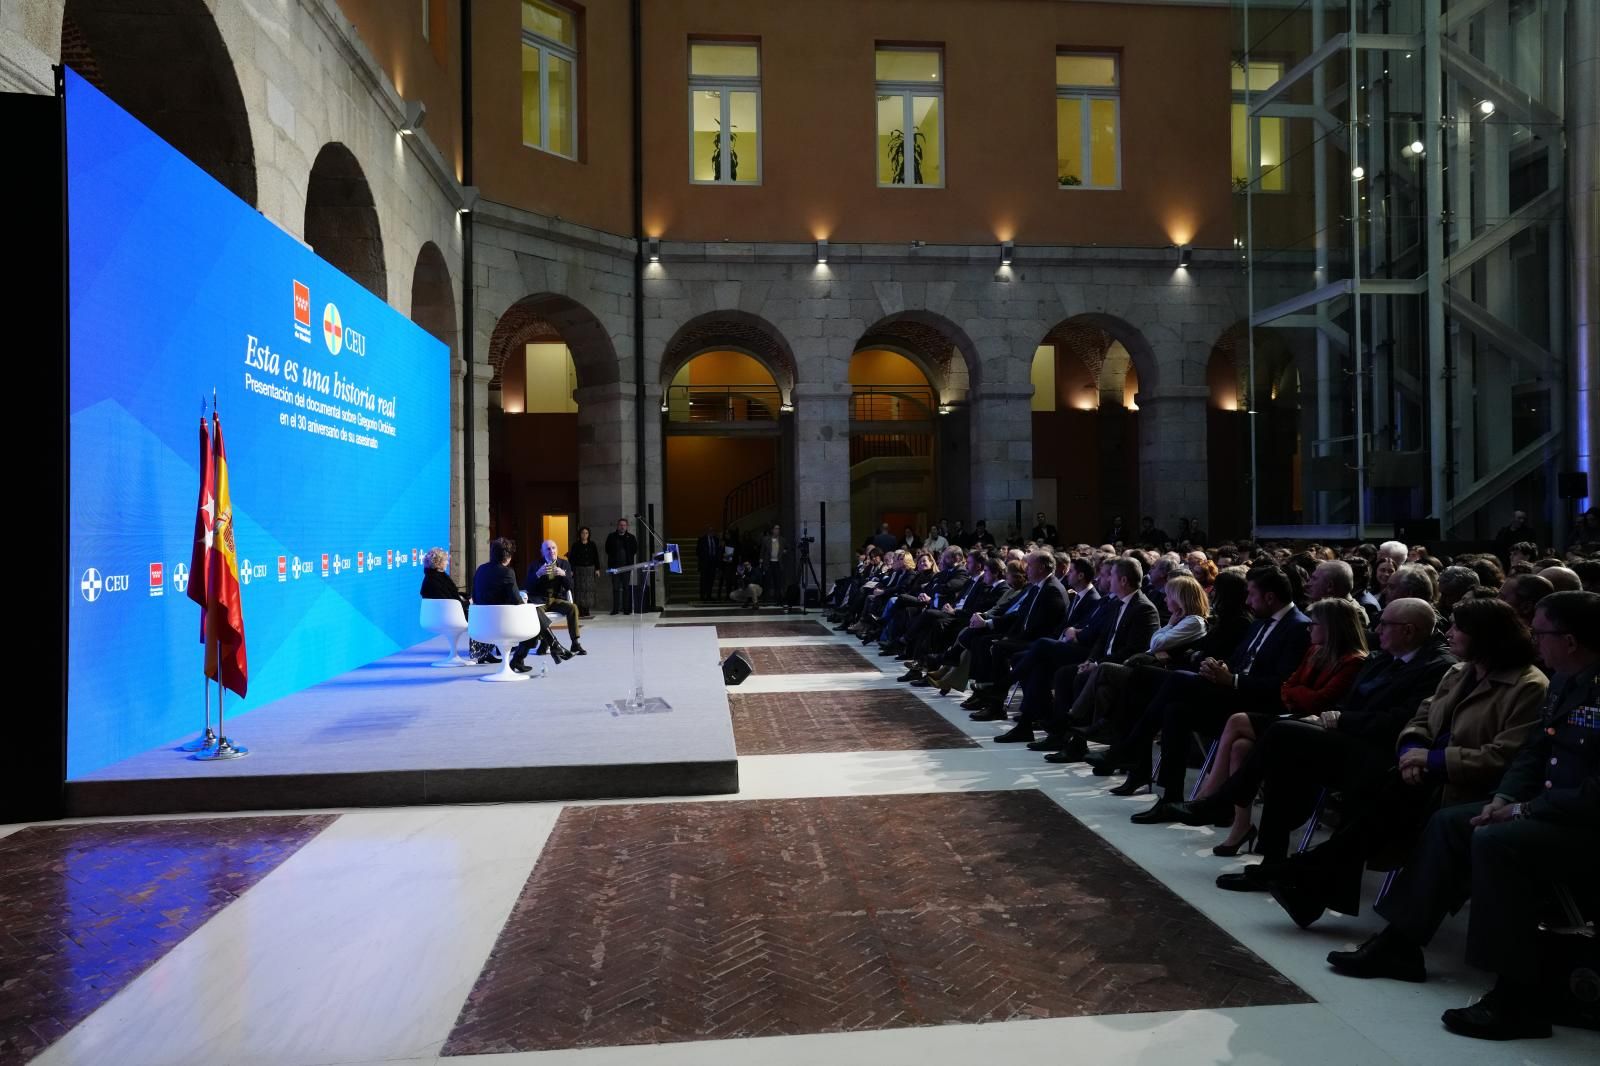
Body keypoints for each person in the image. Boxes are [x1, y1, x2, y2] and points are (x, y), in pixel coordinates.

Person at [1322, 591, 1598, 1042]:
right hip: (1548, 809)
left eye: (1543, 632)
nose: (1536, 640)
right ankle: (1401, 945)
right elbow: (1534, 752)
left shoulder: (1564, 681)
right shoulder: (1568, 679)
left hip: (1583, 824)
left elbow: (1592, 790)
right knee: (1452, 822)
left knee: (1494, 841)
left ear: (1569, 640)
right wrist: (1505, 796)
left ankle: (1516, 997)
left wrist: (1522, 808)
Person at [1261, 597, 1548, 927]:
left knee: (1376, 794)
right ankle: (1308, 887)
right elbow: (1421, 719)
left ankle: (1301, 873)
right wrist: (1413, 751)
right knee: (1372, 786)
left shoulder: (1528, 686)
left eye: (1458, 627)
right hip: (1420, 772)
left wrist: (1432, 760)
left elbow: (1502, 754)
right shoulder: (1459, 672)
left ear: (1484, 637)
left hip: (1463, 784)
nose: (1449, 633)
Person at [1188, 597, 1370, 854]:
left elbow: (1320, 701)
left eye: (1313, 624)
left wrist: (1298, 695)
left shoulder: (1354, 661)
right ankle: (1239, 826)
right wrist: (1299, 695)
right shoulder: (1314, 651)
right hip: (1293, 716)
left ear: (1331, 627)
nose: (1309, 628)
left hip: (1312, 726)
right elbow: (1288, 686)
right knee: (1240, 746)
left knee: (1238, 719)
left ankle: (1210, 796)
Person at [472, 537, 555, 673]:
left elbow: (475, 597)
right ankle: (543, 648)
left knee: (533, 611)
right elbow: (517, 601)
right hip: (504, 625)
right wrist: (525, 603)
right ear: (508, 557)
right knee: (533, 613)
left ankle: (552, 644)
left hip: (481, 625)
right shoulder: (507, 572)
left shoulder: (480, 570)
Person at [421, 547, 494, 663]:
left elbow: (450, 596)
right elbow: (450, 602)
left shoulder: (431, 578)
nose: (447, 563)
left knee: (480, 614)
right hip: (451, 616)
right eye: (445, 560)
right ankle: (481, 653)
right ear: (438, 562)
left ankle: (482, 652)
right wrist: (468, 601)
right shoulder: (436, 580)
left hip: (444, 614)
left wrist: (463, 596)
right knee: (484, 616)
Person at [525, 539, 584, 657]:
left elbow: (570, 586)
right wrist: (538, 574)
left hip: (556, 599)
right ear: (542, 552)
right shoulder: (535, 565)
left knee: (572, 607)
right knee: (536, 612)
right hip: (539, 600)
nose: (551, 551)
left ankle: (575, 642)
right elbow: (527, 586)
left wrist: (563, 575)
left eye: (553, 548)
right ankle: (545, 642)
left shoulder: (564, 563)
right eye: (548, 549)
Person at [604, 517, 639, 615]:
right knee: (615, 588)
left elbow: (635, 549)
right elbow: (607, 549)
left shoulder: (631, 537)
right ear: (617, 526)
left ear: (627, 526)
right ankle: (615, 609)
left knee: (626, 588)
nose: (622, 527)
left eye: (624, 525)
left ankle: (626, 609)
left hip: (626, 567)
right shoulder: (611, 536)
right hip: (614, 567)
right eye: (620, 525)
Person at [568, 526, 600, 616]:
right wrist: (571, 570)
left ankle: (586, 609)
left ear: (588, 535)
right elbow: (572, 559)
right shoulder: (576, 545)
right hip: (579, 570)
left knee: (588, 590)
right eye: (583, 533)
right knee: (579, 590)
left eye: (586, 533)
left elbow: (596, 557)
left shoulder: (592, 544)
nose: (584, 535)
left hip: (590, 570)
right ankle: (580, 609)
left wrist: (597, 569)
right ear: (580, 534)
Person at [760, 524, 788, 605]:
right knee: (767, 582)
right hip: (768, 563)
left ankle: (778, 600)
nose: (777, 530)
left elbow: (787, 547)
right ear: (772, 530)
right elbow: (762, 551)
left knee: (778, 582)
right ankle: (765, 600)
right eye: (776, 529)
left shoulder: (782, 540)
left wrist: (785, 551)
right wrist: (761, 560)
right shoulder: (766, 539)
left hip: (778, 563)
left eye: (778, 529)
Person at [695, 526, 720, 602]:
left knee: (711, 580)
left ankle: (709, 596)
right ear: (707, 531)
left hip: (713, 564)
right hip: (704, 564)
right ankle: (702, 596)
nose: (712, 532)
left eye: (713, 530)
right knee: (703, 581)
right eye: (710, 530)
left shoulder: (716, 540)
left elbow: (718, 551)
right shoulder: (702, 539)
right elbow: (697, 552)